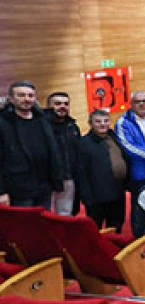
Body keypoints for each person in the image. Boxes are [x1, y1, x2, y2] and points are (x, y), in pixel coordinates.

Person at [0, 82, 63, 210]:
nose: (27, 99)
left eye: (30, 95)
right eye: (21, 95)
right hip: (18, 189)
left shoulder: (43, 120)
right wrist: (1, 191)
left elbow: (53, 151)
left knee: (44, 220)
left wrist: (57, 181)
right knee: (24, 222)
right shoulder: (3, 123)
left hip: (44, 186)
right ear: (11, 99)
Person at [75, 109, 131, 231]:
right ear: (90, 123)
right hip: (97, 197)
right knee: (96, 230)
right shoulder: (84, 144)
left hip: (117, 192)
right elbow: (81, 173)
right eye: (98, 121)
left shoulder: (114, 137)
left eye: (106, 121)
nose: (102, 124)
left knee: (117, 227)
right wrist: (87, 198)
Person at [45, 92, 81, 215]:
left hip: (68, 178)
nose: (62, 106)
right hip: (47, 180)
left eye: (66, 104)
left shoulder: (72, 126)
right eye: (58, 103)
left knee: (65, 214)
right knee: (46, 215)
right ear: (49, 106)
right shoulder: (42, 126)